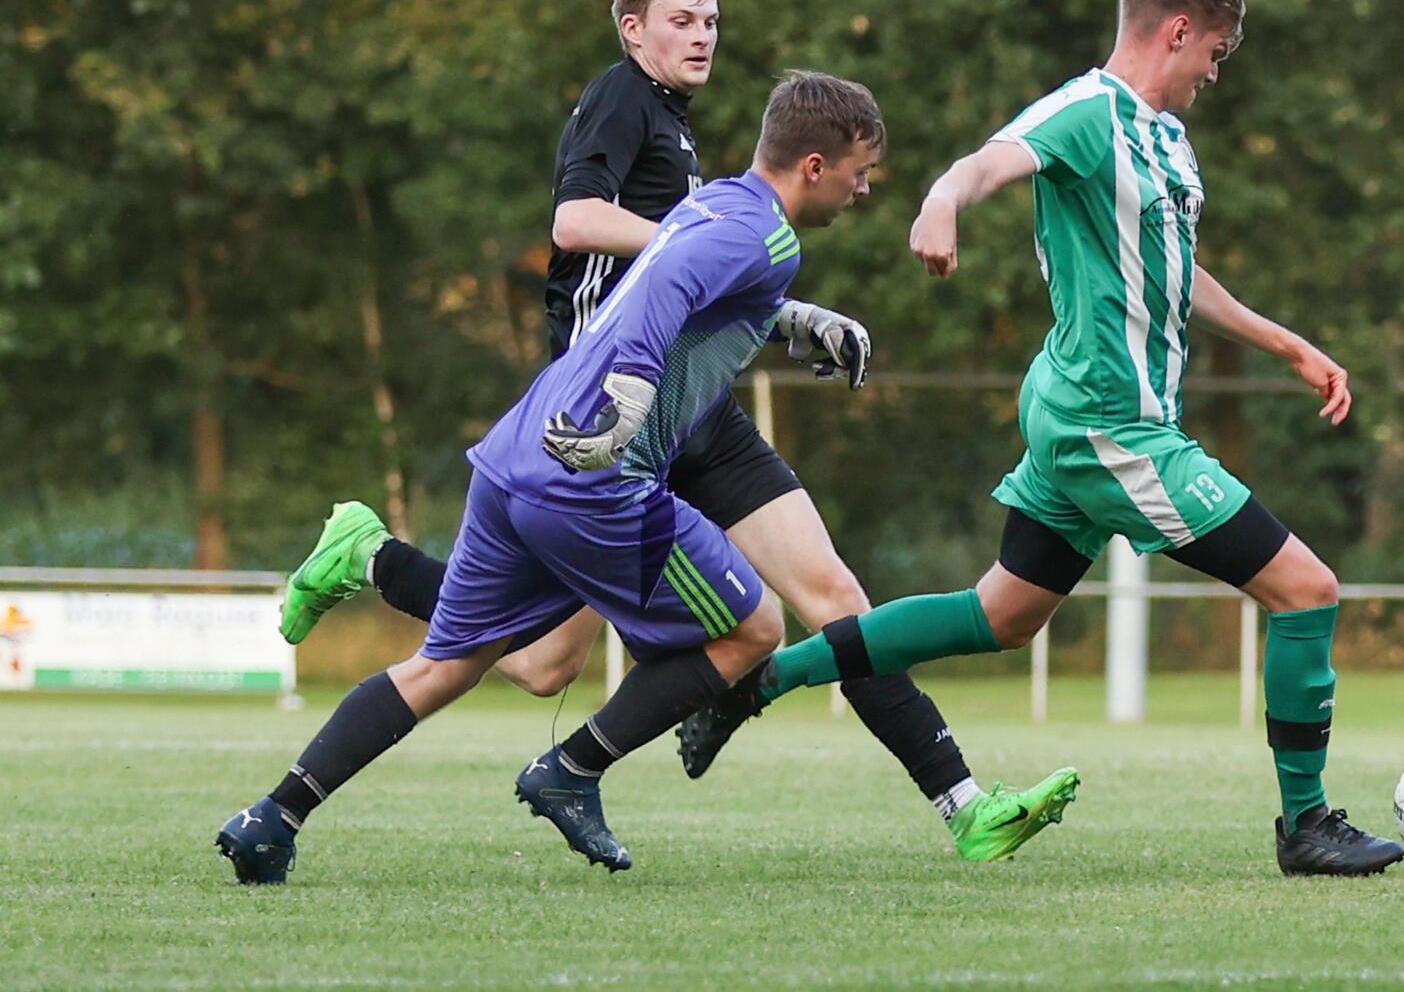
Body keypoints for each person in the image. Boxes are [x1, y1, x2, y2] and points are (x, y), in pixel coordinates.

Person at [272, 0, 1076, 864]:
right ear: (632, 29)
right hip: (609, 410)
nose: (702, 35)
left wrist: (783, 312)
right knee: (542, 665)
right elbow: (575, 221)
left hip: (688, 410)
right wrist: (690, 247)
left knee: (832, 595)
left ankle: (964, 802)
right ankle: (372, 556)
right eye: (681, 19)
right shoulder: (621, 98)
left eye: (711, 19)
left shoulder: (679, 122)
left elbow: (714, 269)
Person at [677, 0, 1404, 877]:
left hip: (1089, 419)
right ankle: (1305, 825)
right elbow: (984, 164)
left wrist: (1287, 343)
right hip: (1110, 422)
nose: (1213, 76)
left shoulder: (1168, 139)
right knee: (1307, 589)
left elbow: (1175, 277)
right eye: (1214, 55)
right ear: (1177, 31)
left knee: (1003, 613)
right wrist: (938, 205)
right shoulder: (1085, 111)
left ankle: (758, 679)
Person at [220, 72, 910, 884]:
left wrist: (789, 317)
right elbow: (674, 287)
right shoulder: (764, 235)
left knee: (451, 666)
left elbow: (679, 270)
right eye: (863, 171)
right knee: (754, 628)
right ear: (816, 165)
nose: (865, 189)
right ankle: (574, 768)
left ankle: (276, 814)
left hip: (514, 459)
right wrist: (627, 402)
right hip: (596, 478)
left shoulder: (716, 201)